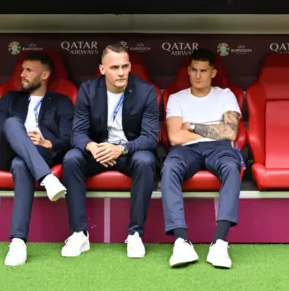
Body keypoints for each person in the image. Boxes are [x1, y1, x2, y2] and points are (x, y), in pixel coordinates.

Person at [61, 43, 158, 259]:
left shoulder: (146, 91)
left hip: (129, 153)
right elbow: (76, 133)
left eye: (125, 66)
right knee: (72, 158)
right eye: (115, 68)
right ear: (102, 69)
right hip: (98, 152)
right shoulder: (88, 90)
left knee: (145, 161)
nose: (121, 72)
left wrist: (121, 149)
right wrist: (92, 147)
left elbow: (150, 138)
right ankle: (79, 233)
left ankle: (135, 234)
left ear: (131, 66)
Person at [0, 53, 72, 266]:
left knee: (21, 164)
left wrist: (47, 143)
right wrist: (20, 136)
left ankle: (18, 241)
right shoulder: (9, 99)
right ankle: (47, 178)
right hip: (6, 153)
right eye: (22, 69)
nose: (22, 74)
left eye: (28, 70)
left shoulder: (61, 102)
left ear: (44, 75)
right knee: (13, 123)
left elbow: (68, 139)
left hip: (40, 154)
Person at [162, 49, 243, 269]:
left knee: (230, 167)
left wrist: (193, 125)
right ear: (188, 71)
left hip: (219, 148)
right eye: (194, 70)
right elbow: (175, 136)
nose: (198, 76)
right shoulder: (177, 98)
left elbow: (229, 133)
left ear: (213, 72)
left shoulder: (225, 95)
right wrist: (212, 128)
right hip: (185, 150)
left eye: (204, 71)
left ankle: (219, 241)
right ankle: (181, 240)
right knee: (169, 167)